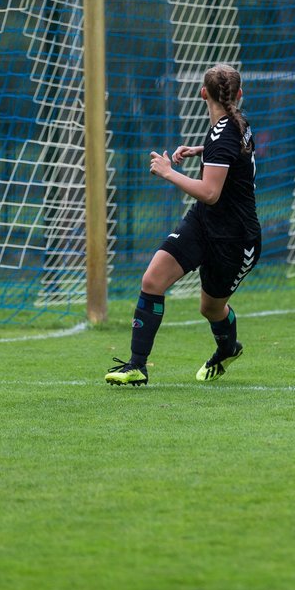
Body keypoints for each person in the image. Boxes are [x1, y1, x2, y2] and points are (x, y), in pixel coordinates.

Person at [105, 63, 261, 386]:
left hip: (234, 238)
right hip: (204, 223)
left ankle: (228, 348)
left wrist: (168, 172)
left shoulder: (228, 130)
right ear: (239, 95)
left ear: (203, 93)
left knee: (210, 308)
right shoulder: (236, 122)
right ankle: (136, 366)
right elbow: (225, 151)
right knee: (152, 279)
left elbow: (210, 192)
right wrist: (199, 151)